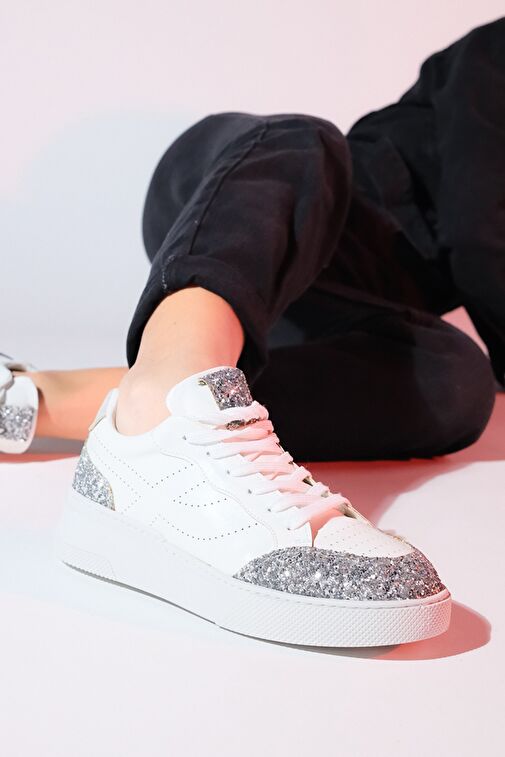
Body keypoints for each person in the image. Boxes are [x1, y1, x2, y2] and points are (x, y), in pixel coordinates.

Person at [1, 18, 503, 647]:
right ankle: (165, 404)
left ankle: (53, 407)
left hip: (331, 311)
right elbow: (485, 236)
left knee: (457, 382)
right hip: (243, 210)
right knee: (307, 142)